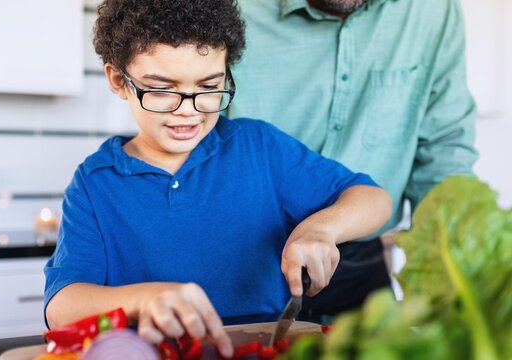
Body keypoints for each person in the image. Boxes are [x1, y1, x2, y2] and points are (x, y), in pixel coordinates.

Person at [44, 0, 392, 357]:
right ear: (119, 81)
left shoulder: (260, 148)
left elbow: (373, 198)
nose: (188, 110)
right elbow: (61, 307)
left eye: (209, 86)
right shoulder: (95, 182)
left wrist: (322, 229)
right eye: (162, 90)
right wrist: (145, 297)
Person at [228, 0, 478, 322]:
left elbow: (443, 153)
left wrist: (460, 280)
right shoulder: (231, 8)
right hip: (246, 267)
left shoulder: (431, 10)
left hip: (363, 264)